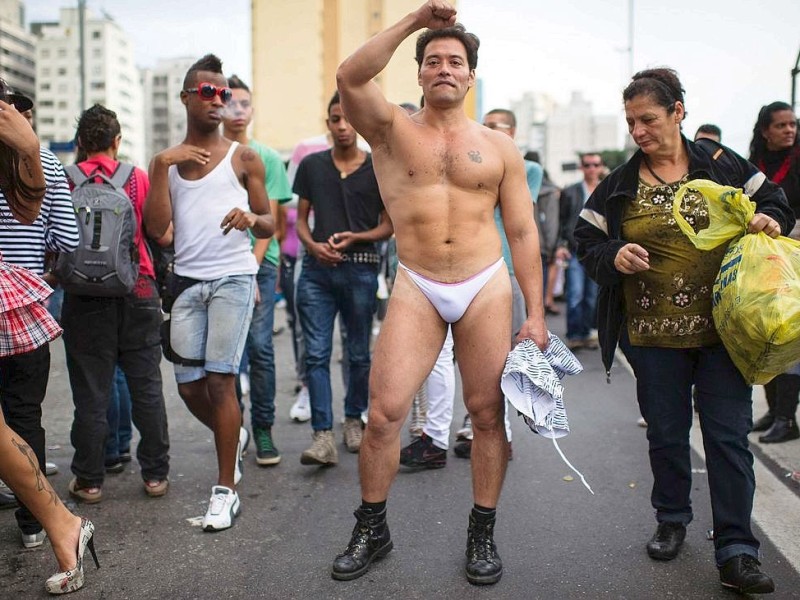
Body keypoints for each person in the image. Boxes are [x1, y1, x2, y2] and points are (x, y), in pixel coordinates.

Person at [334, 1, 547, 585]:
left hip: (485, 282)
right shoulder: (390, 130)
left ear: (471, 75)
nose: (444, 68)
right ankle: (371, 527)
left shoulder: (500, 148)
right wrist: (415, 22)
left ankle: (482, 532)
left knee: (485, 414)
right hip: (418, 281)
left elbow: (524, 231)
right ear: (420, 72)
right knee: (384, 415)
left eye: (455, 61)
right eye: (433, 61)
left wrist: (536, 314)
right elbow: (350, 76)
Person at [574, 67, 794, 595]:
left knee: (727, 437)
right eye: (631, 122)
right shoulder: (619, 184)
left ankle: (737, 549)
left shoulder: (722, 165)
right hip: (651, 340)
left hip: (725, 334)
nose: (638, 131)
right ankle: (672, 518)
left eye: (648, 118)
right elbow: (584, 240)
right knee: (668, 435)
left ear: (678, 113)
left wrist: (769, 221)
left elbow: (776, 206)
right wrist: (613, 254)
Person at [144, 54, 274, 532]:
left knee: (221, 381)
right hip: (186, 284)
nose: (218, 100)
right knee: (188, 385)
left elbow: (270, 221)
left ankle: (225, 492)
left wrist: (249, 219)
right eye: (208, 92)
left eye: (224, 93)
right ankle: (233, 435)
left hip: (234, 279)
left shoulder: (244, 158)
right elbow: (159, 230)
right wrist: (161, 166)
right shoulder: (168, 164)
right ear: (186, 98)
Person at [0, 85, 98, 595]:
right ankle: (33, 523)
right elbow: (69, 241)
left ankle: (48, 520)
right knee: (24, 414)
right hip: (23, 306)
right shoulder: (44, 172)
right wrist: (42, 277)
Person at [61, 104, 171, 505]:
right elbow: (160, 233)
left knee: (91, 393)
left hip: (83, 298)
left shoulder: (65, 180)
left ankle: (89, 481)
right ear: (117, 141)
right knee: (146, 388)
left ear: (79, 143)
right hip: (137, 290)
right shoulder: (137, 179)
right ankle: (156, 475)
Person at [294, 91, 393, 464]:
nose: (342, 126)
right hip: (317, 272)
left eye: (348, 119)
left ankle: (353, 421)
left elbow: (388, 226)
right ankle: (322, 436)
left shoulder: (378, 167)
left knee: (357, 354)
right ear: (328, 124)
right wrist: (314, 246)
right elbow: (301, 220)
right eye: (335, 119)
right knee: (316, 354)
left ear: (359, 124)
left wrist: (357, 237)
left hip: (362, 269)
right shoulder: (312, 166)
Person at [222, 75, 293, 465]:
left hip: (259, 264)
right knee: (228, 356)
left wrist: (251, 268)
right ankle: (235, 429)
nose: (237, 111)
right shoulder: (211, 155)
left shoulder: (265, 157)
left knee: (261, 348)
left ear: (252, 109)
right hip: (221, 264)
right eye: (230, 103)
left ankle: (263, 428)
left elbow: (273, 222)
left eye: (244, 103)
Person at [748, 101, 800, 444]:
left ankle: (787, 418)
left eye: (793, 125)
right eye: (781, 125)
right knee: (766, 332)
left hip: (795, 259)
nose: (789, 131)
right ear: (765, 130)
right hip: (768, 261)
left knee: (791, 334)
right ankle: (772, 409)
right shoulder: (754, 166)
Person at [556, 152, 603, 350]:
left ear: (601, 167)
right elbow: (562, 220)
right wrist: (560, 245)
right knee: (575, 294)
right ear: (581, 167)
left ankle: (586, 332)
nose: (591, 168)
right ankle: (575, 334)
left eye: (595, 164)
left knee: (592, 296)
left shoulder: (605, 190)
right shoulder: (571, 192)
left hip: (598, 251)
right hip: (576, 249)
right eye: (587, 164)